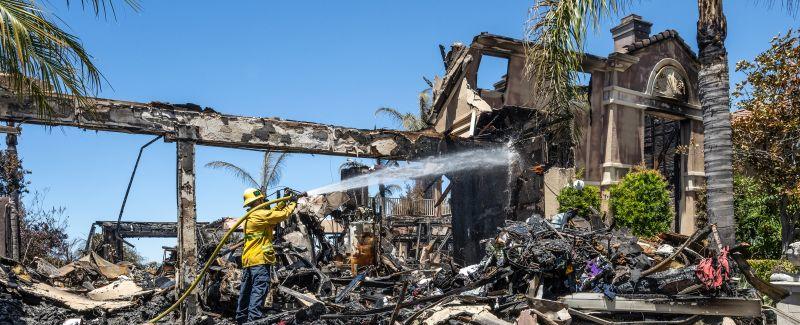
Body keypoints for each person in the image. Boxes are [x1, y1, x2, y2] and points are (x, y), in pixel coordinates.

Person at [235, 188, 297, 324]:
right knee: (258, 291)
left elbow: (272, 212)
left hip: (249, 260)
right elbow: (282, 215)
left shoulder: (251, 215)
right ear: (258, 200)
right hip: (260, 260)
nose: (264, 201)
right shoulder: (260, 215)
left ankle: (241, 320)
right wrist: (292, 203)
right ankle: (253, 320)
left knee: (245, 292)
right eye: (262, 199)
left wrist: (284, 200)